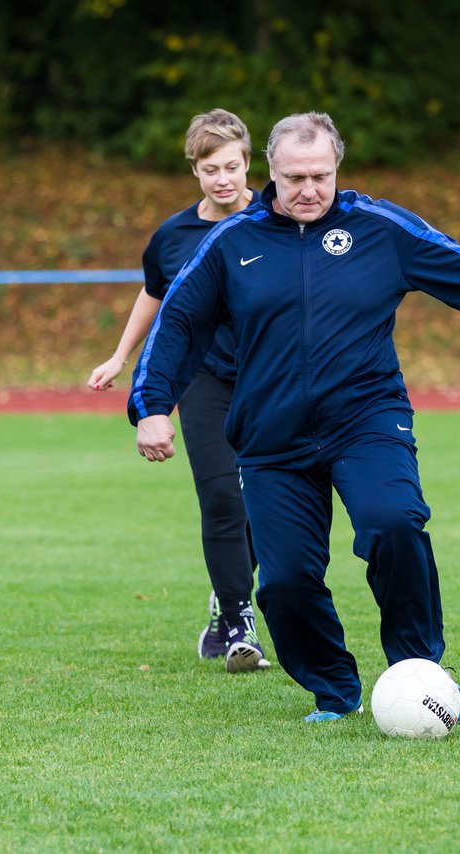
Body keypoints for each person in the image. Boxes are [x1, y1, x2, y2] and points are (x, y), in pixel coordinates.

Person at [127, 112, 460, 722]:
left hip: (367, 420)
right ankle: (335, 692)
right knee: (284, 583)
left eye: (321, 175)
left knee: (394, 524)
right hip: (272, 435)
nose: (309, 189)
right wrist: (151, 406)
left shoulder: (379, 228)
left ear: (337, 169)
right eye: (295, 177)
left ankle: (422, 674)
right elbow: (178, 323)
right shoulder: (231, 244)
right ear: (268, 173)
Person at [89, 109, 270, 673]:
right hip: (204, 379)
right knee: (221, 495)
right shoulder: (173, 236)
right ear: (194, 170)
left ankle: (230, 586)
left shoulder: (279, 217)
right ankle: (238, 619)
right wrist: (121, 356)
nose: (224, 178)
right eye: (211, 168)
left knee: (265, 504)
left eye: (233, 166)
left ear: (250, 165)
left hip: (274, 378)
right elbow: (153, 294)